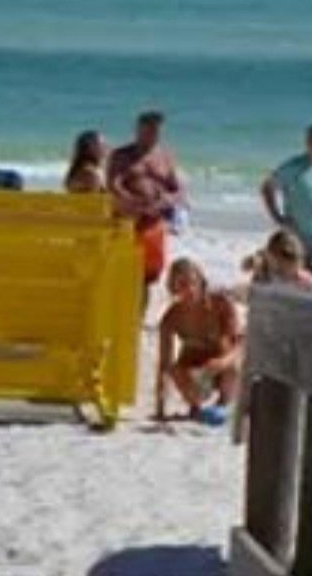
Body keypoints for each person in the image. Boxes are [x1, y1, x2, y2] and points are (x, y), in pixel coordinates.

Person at [106, 111, 186, 298]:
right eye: (148, 129)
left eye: (156, 130)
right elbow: (113, 185)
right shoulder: (122, 155)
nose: (152, 134)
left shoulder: (165, 156)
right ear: (138, 129)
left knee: (148, 276)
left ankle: (138, 319)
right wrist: (133, 201)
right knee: (123, 274)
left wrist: (168, 200)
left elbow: (178, 189)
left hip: (154, 222)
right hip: (128, 221)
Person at [155, 258, 242, 426]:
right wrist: (160, 408)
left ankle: (223, 404)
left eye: (192, 283)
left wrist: (222, 362)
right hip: (194, 364)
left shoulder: (221, 304)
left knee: (234, 367)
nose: (189, 290)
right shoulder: (172, 317)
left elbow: (239, 345)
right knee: (175, 370)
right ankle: (195, 407)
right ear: (173, 288)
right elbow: (164, 363)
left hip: (223, 360)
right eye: (182, 285)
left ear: (201, 282)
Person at [259, 122, 312, 285]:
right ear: (307, 141)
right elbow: (267, 187)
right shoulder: (293, 166)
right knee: (294, 283)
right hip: (296, 238)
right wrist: (277, 216)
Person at [246, 229, 312, 291]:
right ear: (272, 259)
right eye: (282, 271)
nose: (296, 274)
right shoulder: (263, 278)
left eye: (297, 270)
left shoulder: (305, 280)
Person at [64, 129, 107, 194]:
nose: (105, 147)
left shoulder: (78, 170)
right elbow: (94, 201)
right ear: (89, 148)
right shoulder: (89, 173)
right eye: (101, 144)